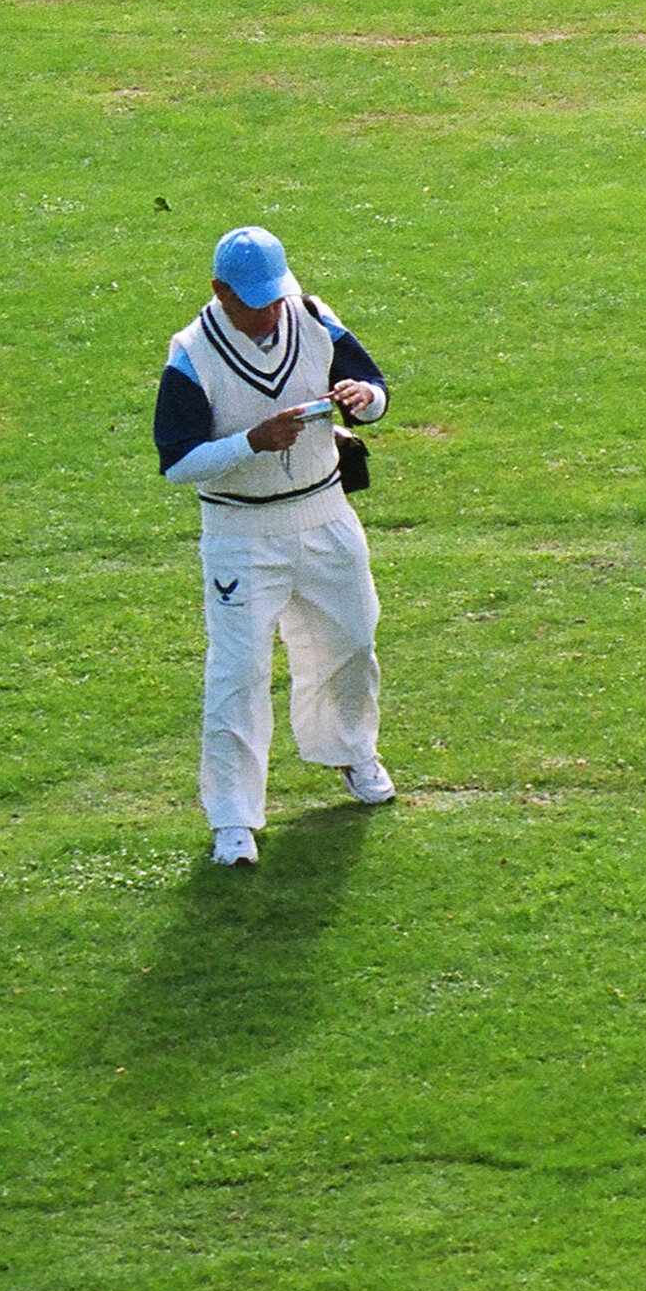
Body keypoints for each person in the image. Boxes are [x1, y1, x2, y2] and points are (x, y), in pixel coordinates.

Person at [148, 227, 394, 867]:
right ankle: (233, 820)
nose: (268, 310)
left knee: (352, 637)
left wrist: (364, 400)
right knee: (238, 673)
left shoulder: (312, 316)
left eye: (273, 295)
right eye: (253, 299)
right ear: (219, 291)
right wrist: (251, 443)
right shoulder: (191, 356)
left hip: (325, 514)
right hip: (240, 535)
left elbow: (371, 385)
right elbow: (177, 463)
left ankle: (350, 752)